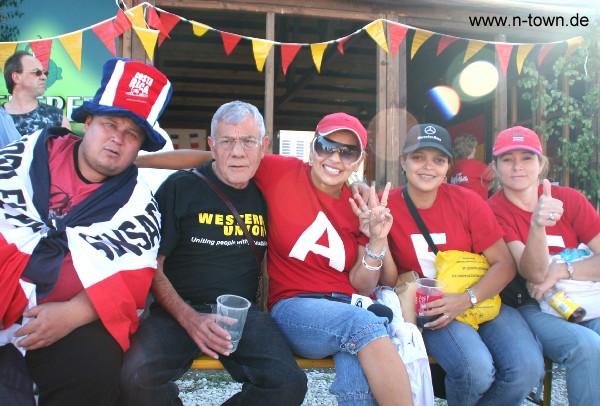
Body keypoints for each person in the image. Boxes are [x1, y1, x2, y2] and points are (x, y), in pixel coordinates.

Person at [135, 111, 414, 406]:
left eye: (348, 152)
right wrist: (135, 161)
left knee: (351, 356)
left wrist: (377, 238)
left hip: (342, 307)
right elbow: (216, 157)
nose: (335, 158)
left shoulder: (359, 204)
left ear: (360, 160)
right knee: (364, 326)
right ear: (312, 147)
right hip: (295, 305)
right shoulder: (280, 171)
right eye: (326, 147)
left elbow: (364, 282)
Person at [0, 57, 172, 405]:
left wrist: (73, 314)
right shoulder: (22, 160)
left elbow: (133, 278)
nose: (117, 140)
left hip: (70, 321)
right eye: (110, 124)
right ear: (88, 121)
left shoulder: (138, 205)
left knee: (96, 369)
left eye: (132, 134)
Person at [119, 101, 308, 406]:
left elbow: (326, 179)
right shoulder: (181, 187)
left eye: (247, 141)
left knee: (289, 384)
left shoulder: (267, 190)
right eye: (226, 141)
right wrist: (189, 318)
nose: (237, 152)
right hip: (177, 312)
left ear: (263, 146)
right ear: (212, 145)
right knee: (134, 378)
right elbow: (152, 265)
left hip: (241, 316)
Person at [376, 123, 544, 405]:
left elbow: (504, 264)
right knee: (475, 370)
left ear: (448, 167)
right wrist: (379, 237)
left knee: (527, 369)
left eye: (438, 160)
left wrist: (468, 298)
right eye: (418, 157)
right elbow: (389, 281)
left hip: (481, 298)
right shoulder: (386, 205)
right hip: (431, 310)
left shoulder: (467, 202)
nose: (428, 167)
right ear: (403, 161)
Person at [487, 126, 600, 406]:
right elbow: (534, 274)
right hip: (531, 305)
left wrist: (563, 270)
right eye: (507, 159)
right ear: (495, 166)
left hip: (585, 295)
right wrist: (538, 225)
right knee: (586, 347)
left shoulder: (570, 199)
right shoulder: (492, 209)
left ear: (541, 164)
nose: (517, 167)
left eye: (526, 158)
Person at [2, 50, 71, 136]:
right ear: (16, 77)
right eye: (37, 72)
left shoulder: (57, 117)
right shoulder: (2, 117)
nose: (44, 77)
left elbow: (66, 148)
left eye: (45, 73)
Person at [449, 133, 492, 200]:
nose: (475, 150)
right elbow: (496, 174)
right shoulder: (474, 165)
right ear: (469, 149)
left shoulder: (455, 167)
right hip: (476, 207)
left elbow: (472, 188)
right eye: (474, 148)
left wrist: (492, 185)